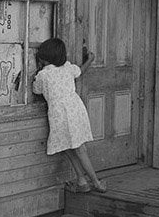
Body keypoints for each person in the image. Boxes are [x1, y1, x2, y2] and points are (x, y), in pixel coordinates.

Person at [32, 37, 106, 193]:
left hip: (60, 113)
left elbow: (36, 90)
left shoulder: (43, 75)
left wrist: (38, 71)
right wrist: (90, 59)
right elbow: (80, 71)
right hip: (75, 109)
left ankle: (96, 182)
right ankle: (82, 181)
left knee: (76, 148)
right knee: (70, 147)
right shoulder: (67, 67)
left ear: (44, 57)